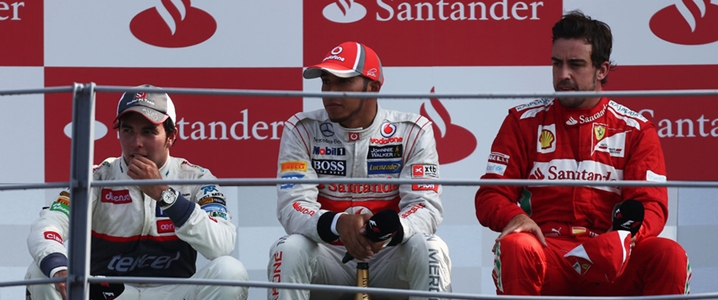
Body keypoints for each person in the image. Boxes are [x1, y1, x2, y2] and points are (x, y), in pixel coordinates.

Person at [474, 11, 691, 296]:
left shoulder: (636, 129)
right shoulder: (522, 121)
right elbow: (491, 195)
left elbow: (652, 206)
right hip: (547, 250)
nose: (563, 75)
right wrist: (515, 217)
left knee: (668, 253)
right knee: (516, 245)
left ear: (602, 70)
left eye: (575, 65)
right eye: (557, 64)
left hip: (610, 254)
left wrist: (626, 236)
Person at [25, 85, 249, 300]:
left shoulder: (196, 178)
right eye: (128, 130)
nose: (137, 143)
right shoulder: (96, 178)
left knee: (230, 271)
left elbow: (222, 245)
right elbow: (46, 226)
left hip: (174, 293)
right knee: (42, 272)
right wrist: (60, 268)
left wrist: (166, 195)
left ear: (171, 136)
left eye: (149, 131)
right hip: (108, 292)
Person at [268, 41, 452, 300]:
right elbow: (292, 205)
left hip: (389, 257)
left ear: (373, 87)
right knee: (287, 248)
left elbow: (426, 207)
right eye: (326, 81)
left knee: (431, 247)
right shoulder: (302, 129)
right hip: (330, 258)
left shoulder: (412, 131)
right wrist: (337, 223)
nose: (330, 92)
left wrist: (388, 230)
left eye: (343, 82)